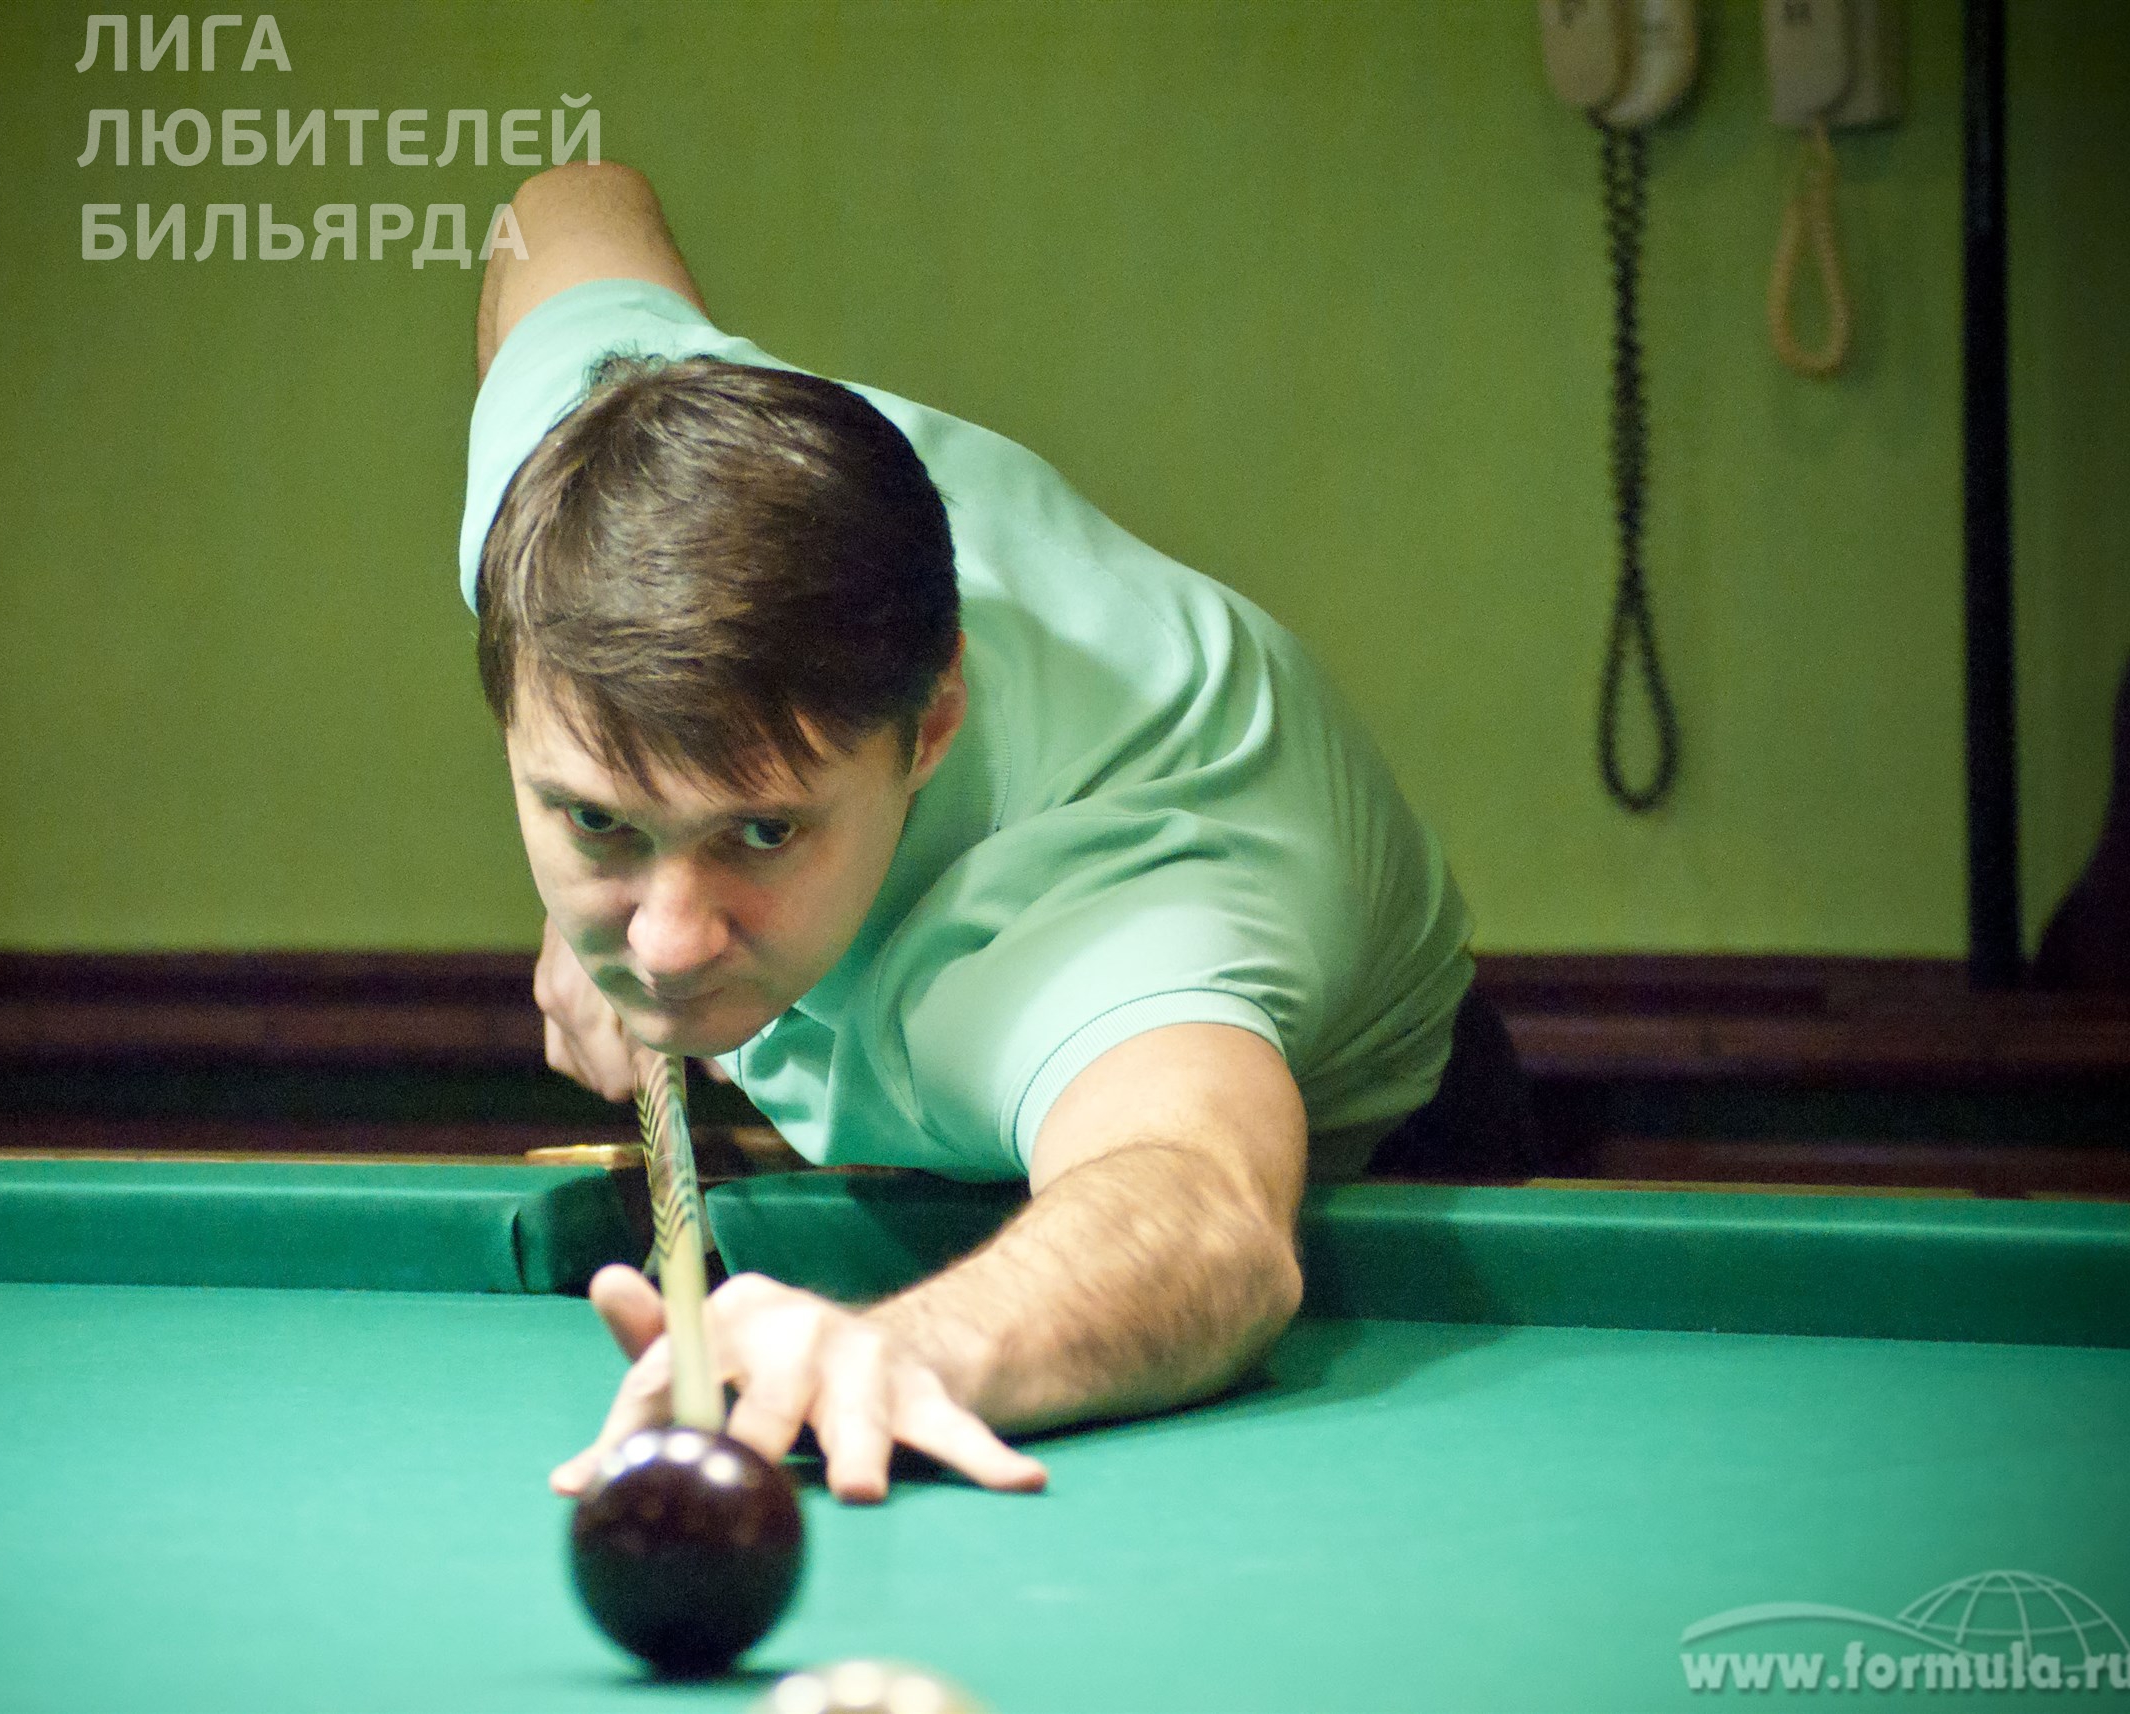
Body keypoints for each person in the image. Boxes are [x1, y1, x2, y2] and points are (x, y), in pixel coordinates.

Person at [462, 162, 1504, 1505]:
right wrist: (594, 883)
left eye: (762, 829)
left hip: (1373, 1175)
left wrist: (907, 1348)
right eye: (596, 814)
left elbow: (1203, 1209)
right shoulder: (580, 484)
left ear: (931, 725)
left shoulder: (1091, 909)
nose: (663, 944)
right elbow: (566, 208)